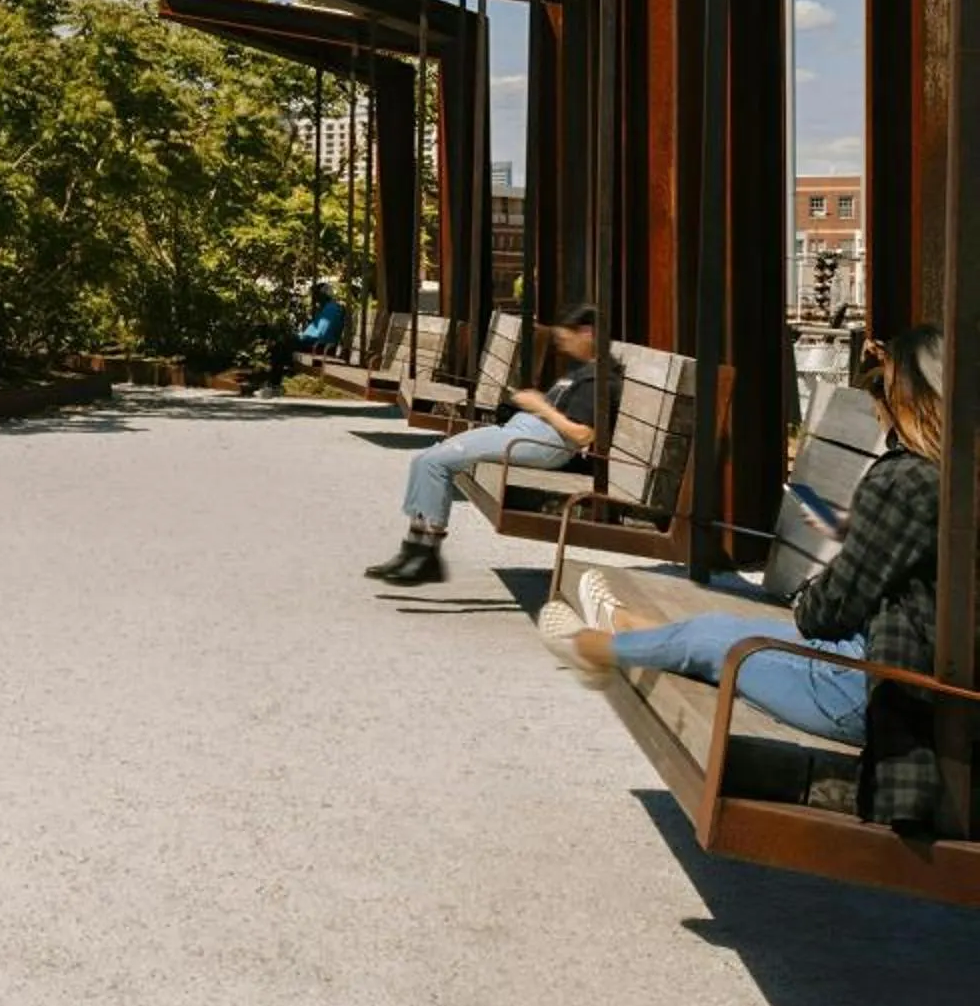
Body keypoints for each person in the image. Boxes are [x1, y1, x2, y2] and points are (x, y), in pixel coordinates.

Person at [541, 326, 946, 828]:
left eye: (879, 390)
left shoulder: (908, 480)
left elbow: (825, 615)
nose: (877, 407)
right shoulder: (954, 476)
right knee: (714, 628)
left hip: (876, 692)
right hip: (913, 677)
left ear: (910, 397)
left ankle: (594, 651)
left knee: (716, 641)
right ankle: (634, 630)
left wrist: (826, 580)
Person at [364, 305, 600, 586]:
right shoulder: (581, 371)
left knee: (435, 463)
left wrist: (540, 406)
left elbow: (583, 434)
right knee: (425, 459)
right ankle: (414, 547)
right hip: (528, 430)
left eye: (567, 337)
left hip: (545, 441)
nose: (561, 344)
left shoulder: (597, 378)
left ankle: (427, 552)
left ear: (587, 333)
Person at [260, 281, 350, 396]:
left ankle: (275, 384)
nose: (315, 299)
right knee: (280, 345)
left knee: (282, 345)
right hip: (314, 343)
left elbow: (322, 334)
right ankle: (275, 383)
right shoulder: (326, 308)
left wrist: (301, 338)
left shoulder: (332, 309)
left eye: (317, 295)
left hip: (319, 346)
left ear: (324, 295)